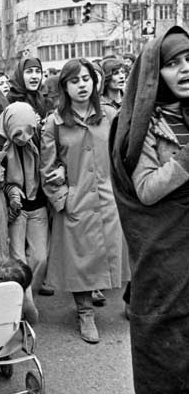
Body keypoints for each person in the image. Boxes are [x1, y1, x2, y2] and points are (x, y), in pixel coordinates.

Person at [110, 26, 189, 394]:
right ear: (155, 73)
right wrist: (184, 161)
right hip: (165, 247)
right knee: (166, 327)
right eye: (173, 63)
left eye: (188, 59)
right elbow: (145, 190)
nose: (184, 69)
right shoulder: (142, 125)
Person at [41, 58, 130, 344]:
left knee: (111, 253)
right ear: (64, 87)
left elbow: (122, 156)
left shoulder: (111, 116)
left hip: (107, 198)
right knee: (78, 260)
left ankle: (119, 299)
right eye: (74, 80)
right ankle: (85, 313)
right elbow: (47, 168)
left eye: (86, 79)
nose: (82, 85)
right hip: (76, 199)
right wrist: (63, 198)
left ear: (95, 82)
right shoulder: (53, 124)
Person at [0, 102, 49, 300]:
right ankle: (23, 305)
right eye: (17, 134)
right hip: (15, 209)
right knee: (18, 258)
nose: (24, 139)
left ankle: (28, 295)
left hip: (38, 203)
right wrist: (11, 190)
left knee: (40, 257)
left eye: (29, 132)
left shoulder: (40, 137)